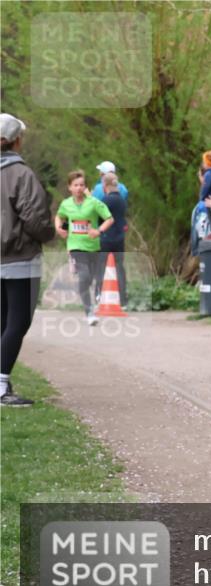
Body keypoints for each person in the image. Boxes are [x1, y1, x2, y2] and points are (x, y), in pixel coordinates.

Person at [1, 113, 54, 407]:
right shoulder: (22, 175)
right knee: (18, 321)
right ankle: (0, 386)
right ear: (16, 141)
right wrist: (49, 234)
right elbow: (35, 219)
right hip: (20, 258)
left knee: (2, 322)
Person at [54, 170, 114, 326]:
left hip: (93, 247)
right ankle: (89, 313)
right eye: (76, 185)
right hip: (75, 246)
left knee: (93, 279)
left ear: (85, 186)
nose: (79, 188)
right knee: (84, 276)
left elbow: (110, 219)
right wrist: (58, 228)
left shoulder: (94, 202)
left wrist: (98, 231)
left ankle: (92, 298)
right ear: (70, 187)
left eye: (82, 185)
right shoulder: (66, 204)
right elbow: (59, 216)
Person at [97, 172, 128, 308]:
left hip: (106, 238)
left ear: (105, 185)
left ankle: (99, 295)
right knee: (120, 268)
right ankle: (123, 299)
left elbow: (99, 218)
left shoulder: (105, 200)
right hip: (119, 238)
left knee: (102, 267)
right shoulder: (121, 200)